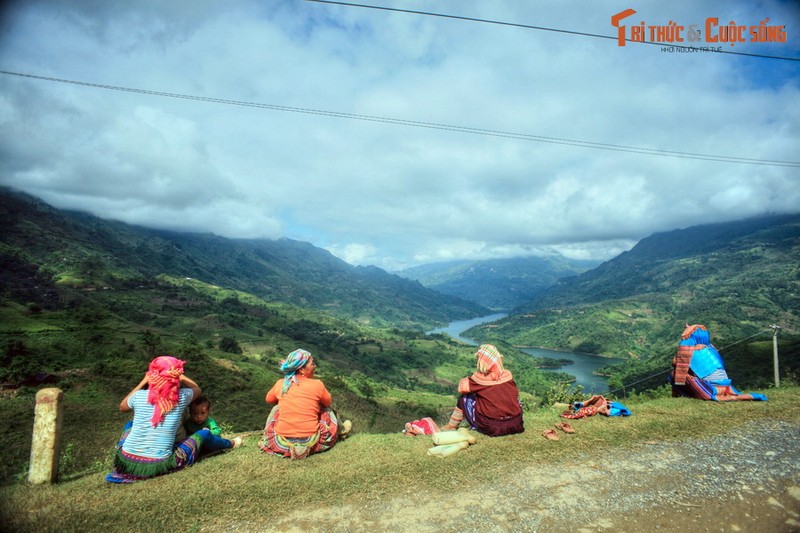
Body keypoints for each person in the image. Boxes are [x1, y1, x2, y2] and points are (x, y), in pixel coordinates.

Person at [106, 355, 212, 483]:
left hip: (126, 461)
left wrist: (144, 381)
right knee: (204, 433)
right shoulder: (180, 397)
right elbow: (197, 389)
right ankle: (231, 444)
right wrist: (179, 376)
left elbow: (122, 407)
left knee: (130, 424)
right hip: (158, 465)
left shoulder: (139, 395)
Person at [259, 348, 351, 459]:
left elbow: (269, 399)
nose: (315, 366)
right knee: (327, 410)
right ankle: (342, 431)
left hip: (281, 444)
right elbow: (328, 402)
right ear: (302, 369)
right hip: (312, 442)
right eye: (312, 363)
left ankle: (265, 439)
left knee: (276, 408)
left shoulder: (281, 384)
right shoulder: (317, 384)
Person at [439, 344, 524, 437]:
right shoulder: (508, 375)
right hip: (516, 424)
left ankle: (452, 425)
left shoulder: (479, 379)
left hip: (492, 427)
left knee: (464, 398)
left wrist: (472, 378)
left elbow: (461, 388)